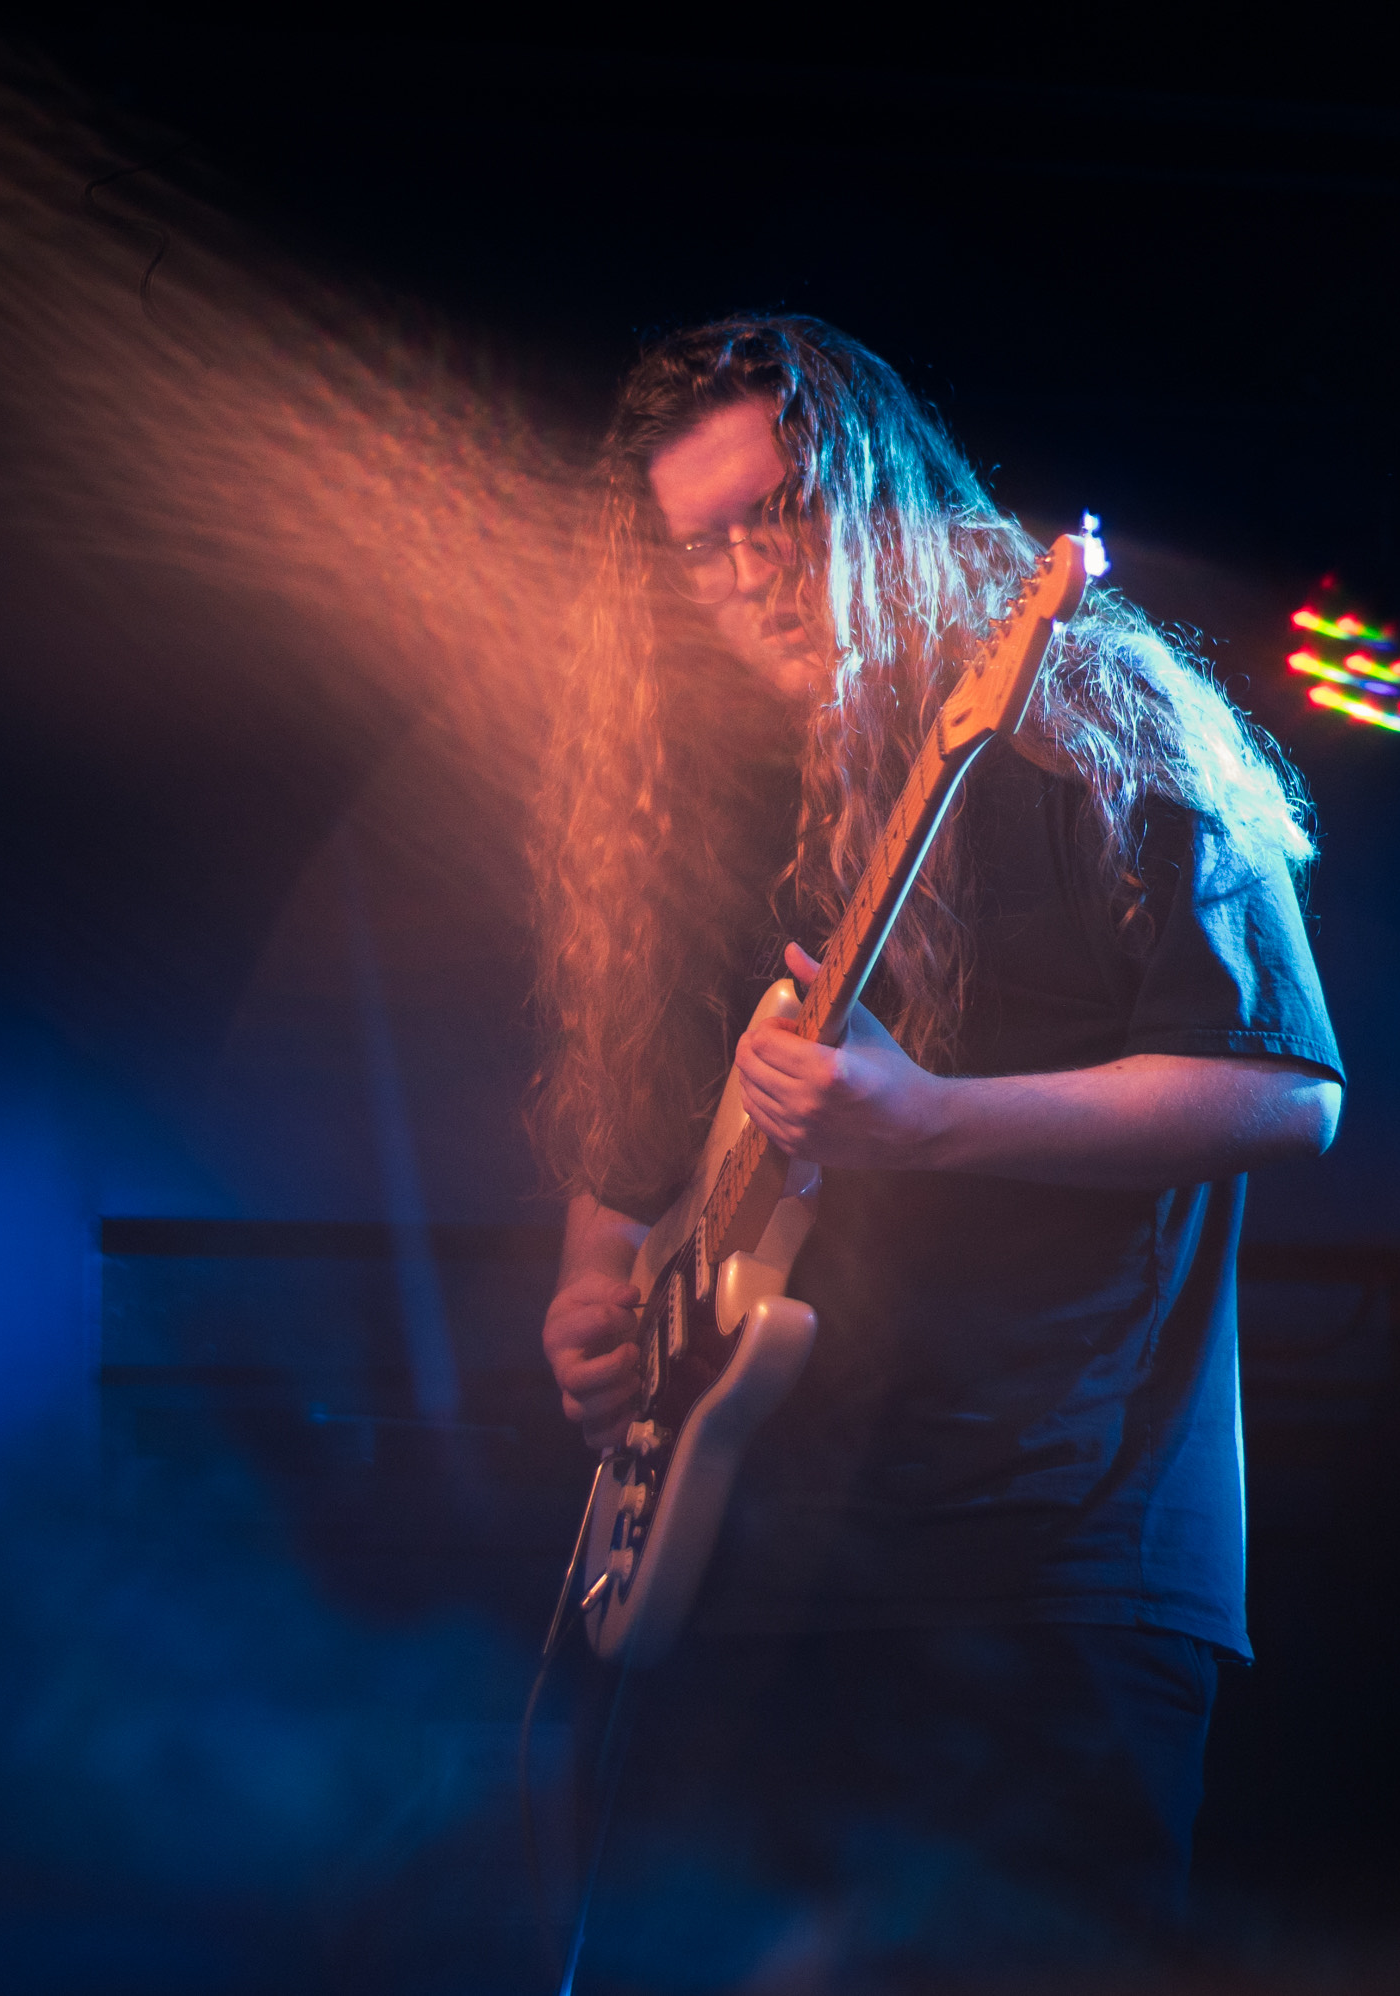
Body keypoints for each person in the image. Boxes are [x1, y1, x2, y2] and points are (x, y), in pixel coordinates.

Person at [531, 315, 1342, 1990]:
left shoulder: (1083, 703)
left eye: (784, 515)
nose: (749, 575)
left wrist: (932, 1120)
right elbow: (633, 1129)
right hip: (758, 1551)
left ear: (883, 496)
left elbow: (1284, 1091)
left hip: (1058, 1548)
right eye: (702, 547)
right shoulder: (688, 784)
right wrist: (593, 1284)